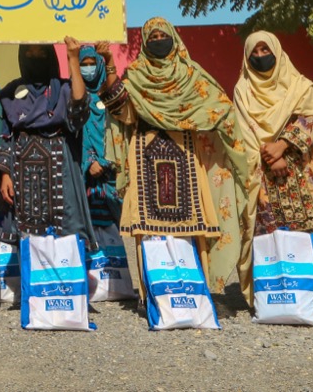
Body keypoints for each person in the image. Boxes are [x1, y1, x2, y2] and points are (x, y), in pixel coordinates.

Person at [100, 18, 250, 298]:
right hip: (145, 158)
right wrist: (109, 63)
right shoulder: (135, 75)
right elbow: (120, 108)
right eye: (152, 36)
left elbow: (222, 109)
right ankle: (155, 296)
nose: (158, 39)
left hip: (187, 160)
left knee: (195, 228)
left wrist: (232, 150)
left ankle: (196, 293)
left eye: (162, 34)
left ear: (174, 38)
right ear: (145, 43)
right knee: (149, 229)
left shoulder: (192, 76)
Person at [232, 32, 313, 302]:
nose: (260, 57)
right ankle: (270, 297)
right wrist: (270, 157)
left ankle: (304, 295)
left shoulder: (298, 85)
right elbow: (243, 134)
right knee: (265, 235)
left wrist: (282, 146)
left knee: (303, 235)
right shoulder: (242, 90)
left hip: (298, 174)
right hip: (262, 176)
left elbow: (311, 118)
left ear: (277, 51)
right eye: (253, 53)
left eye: (265, 51)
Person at [0, 41, 95, 251]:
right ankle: (36, 282)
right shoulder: (10, 93)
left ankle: (68, 281)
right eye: (29, 53)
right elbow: (6, 135)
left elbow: (80, 110)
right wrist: (5, 174)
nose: (35, 57)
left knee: (67, 235)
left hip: (61, 170)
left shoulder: (65, 89)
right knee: (30, 239)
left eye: (41, 53)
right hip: (25, 176)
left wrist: (73, 59)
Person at [79, 45, 121, 229]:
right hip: (87, 178)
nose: (88, 69)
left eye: (92, 63)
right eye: (83, 64)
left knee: (116, 234)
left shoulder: (109, 93)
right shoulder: (75, 97)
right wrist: (89, 161)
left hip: (113, 173)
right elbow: (73, 134)